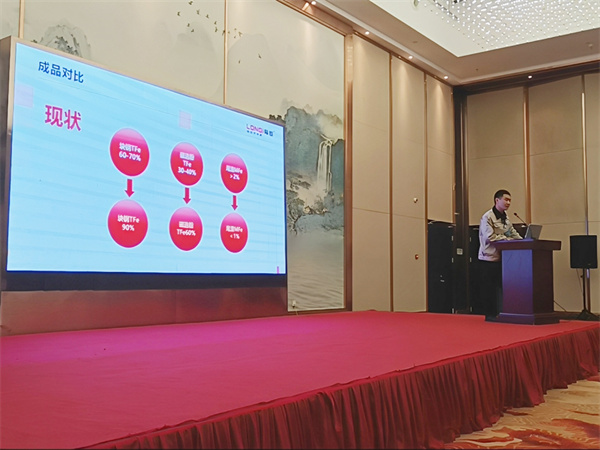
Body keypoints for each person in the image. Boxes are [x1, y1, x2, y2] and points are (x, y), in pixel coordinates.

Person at [478, 189, 523, 321]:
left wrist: (524, 241)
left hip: (503, 259)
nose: (508, 203)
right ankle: (490, 315)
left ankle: (503, 312)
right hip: (488, 258)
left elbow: (511, 232)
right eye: (506, 200)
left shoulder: (506, 217)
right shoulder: (487, 217)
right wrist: (508, 239)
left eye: (510, 200)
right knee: (490, 289)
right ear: (497, 200)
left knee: (503, 287)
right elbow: (490, 237)